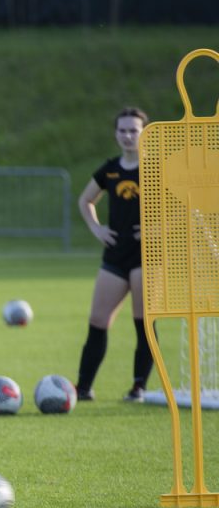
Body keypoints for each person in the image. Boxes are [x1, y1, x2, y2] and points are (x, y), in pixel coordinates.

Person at [74, 107, 152, 402]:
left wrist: (157, 228)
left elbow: (183, 208)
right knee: (97, 320)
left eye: (134, 130)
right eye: (122, 130)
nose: (128, 136)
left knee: (142, 322)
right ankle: (83, 388)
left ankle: (138, 388)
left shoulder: (156, 168)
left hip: (147, 257)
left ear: (145, 132)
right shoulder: (110, 169)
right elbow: (85, 200)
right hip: (116, 255)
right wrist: (97, 230)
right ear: (115, 133)